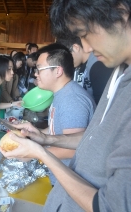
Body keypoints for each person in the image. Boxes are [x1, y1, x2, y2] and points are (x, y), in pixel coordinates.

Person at [0, 0, 131, 211]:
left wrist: (41, 153)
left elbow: (111, 206)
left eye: (85, 33)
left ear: (121, 13)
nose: (86, 47)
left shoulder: (75, 97)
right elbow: (94, 138)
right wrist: (45, 139)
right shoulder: (118, 71)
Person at [34, 43, 96, 185]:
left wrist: (33, 154)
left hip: (72, 180)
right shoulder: (62, 93)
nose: (35, 74)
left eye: (39, 69)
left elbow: (72, 150)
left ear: (58, 71)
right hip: (61, 175)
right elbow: (57, 129)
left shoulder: (72, 99)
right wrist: (35, 134)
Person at [56, 35, 113, 104]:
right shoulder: (78, 67)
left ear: (76, 48)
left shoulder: (98, 66)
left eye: (66, 57)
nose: (65, 61)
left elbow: (102, 102)